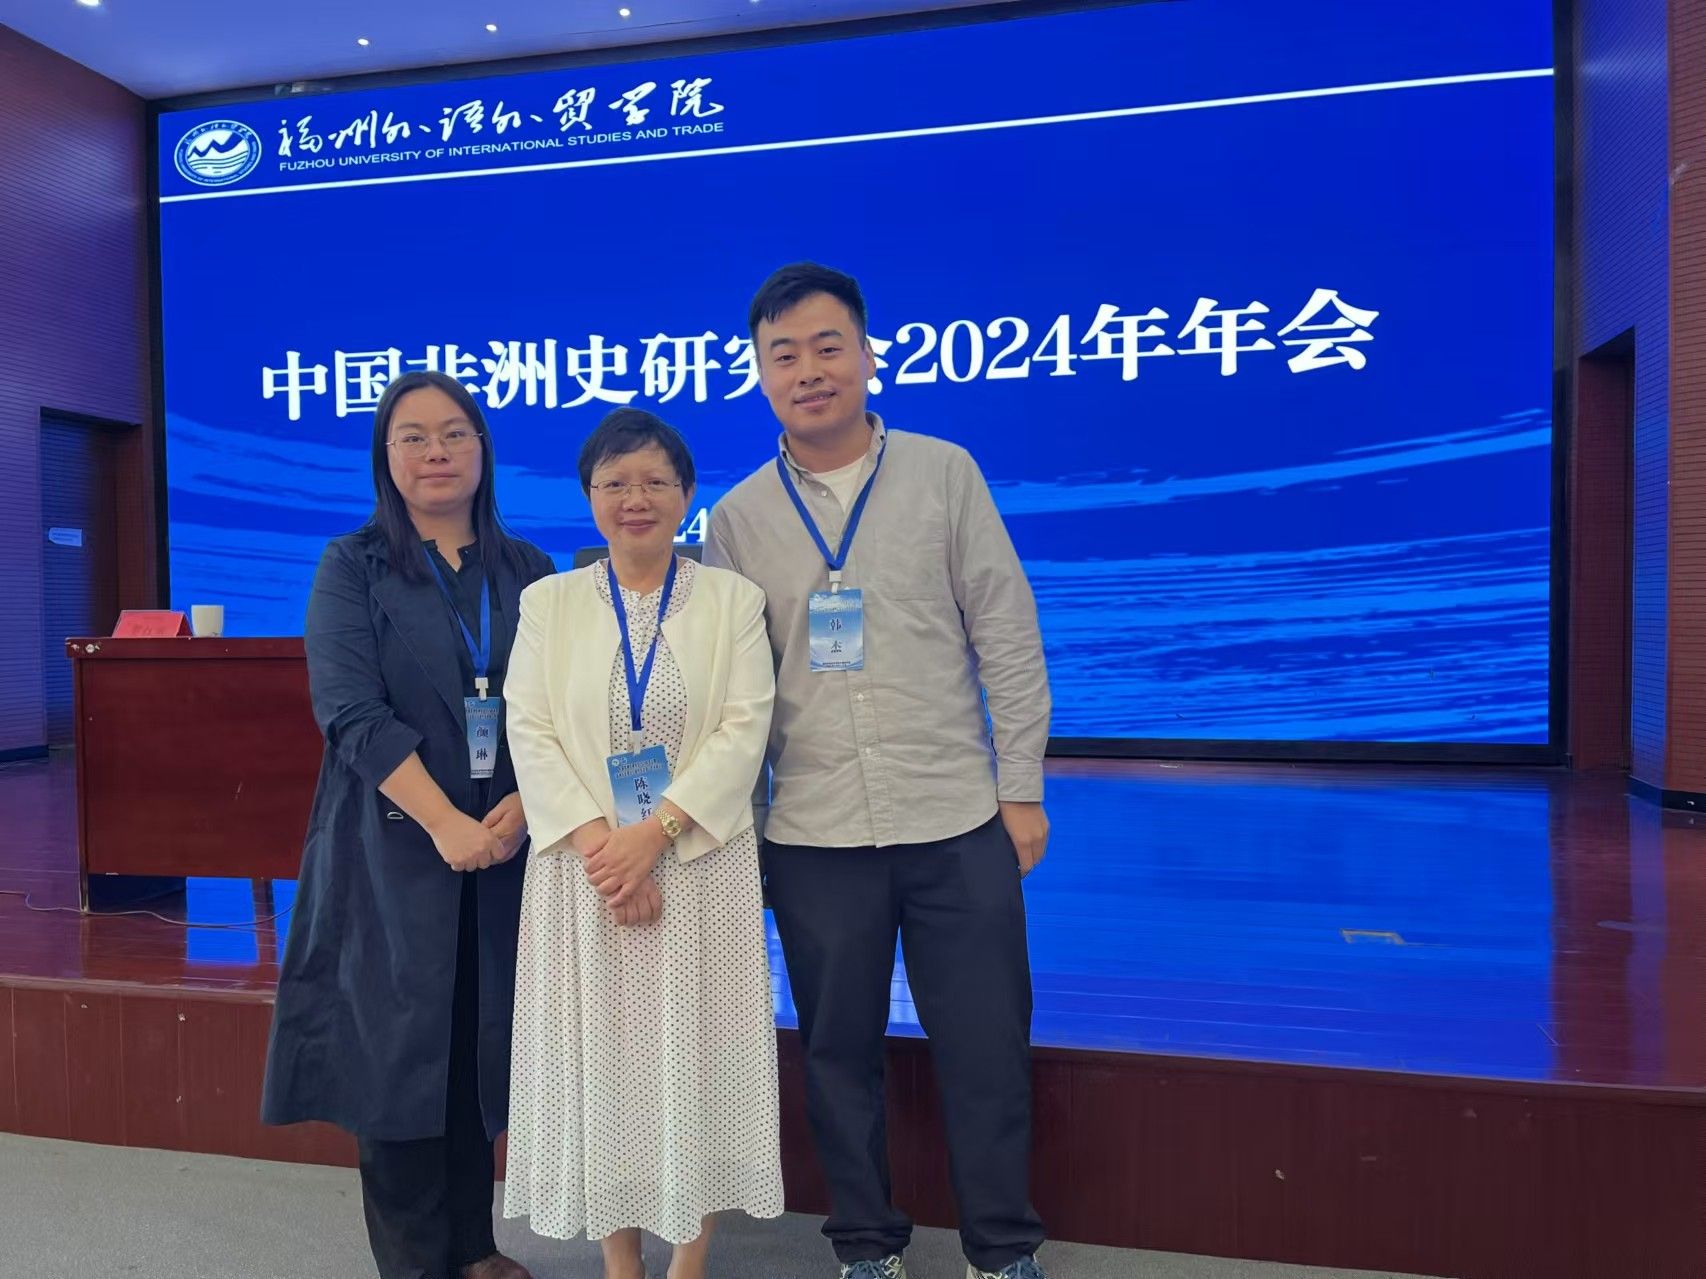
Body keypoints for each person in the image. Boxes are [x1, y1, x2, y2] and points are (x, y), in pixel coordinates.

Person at [705, 262, 1053, 1279]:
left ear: (865, 355)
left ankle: (1001, 1250)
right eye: (783, 355)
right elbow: (735, 695)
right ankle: (865, 1246)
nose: (807, 370)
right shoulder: (737, 518)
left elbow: (1006, 632)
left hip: (955, 818)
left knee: (986, 1046)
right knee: (836, 1053)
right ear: (760, 375)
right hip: (814, 833)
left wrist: (1020, 786)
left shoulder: (944, 472)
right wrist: (735, 831)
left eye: (827, 347)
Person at [261, 370, 554, 1279]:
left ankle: (475, 1246)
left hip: (506, 843)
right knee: (397, 1061)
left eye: (455, 433)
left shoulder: (530, 570)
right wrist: (443, 821)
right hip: (392, 843)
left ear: (482, 449)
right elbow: (351, 712)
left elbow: (559, 708)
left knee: (476, 1047)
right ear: (385, 456)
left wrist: (525, 804)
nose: (436, 452)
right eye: (413, 436)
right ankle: (418, 1264)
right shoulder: (352, 565)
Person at [501, 408, 783, 1279]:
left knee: (698, 1055)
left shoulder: (733, 600)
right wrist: (608, 849)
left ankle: (689, 1258)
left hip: (698, 863)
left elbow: (744, 728)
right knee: (607, 1063)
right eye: (615, 482)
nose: (636, 498)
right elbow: (530, 730)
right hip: (585, 870)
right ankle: (621, 1259)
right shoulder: (548, 603)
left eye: (656, 481)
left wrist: (652, 834)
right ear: (589, 496)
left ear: (687, 494)